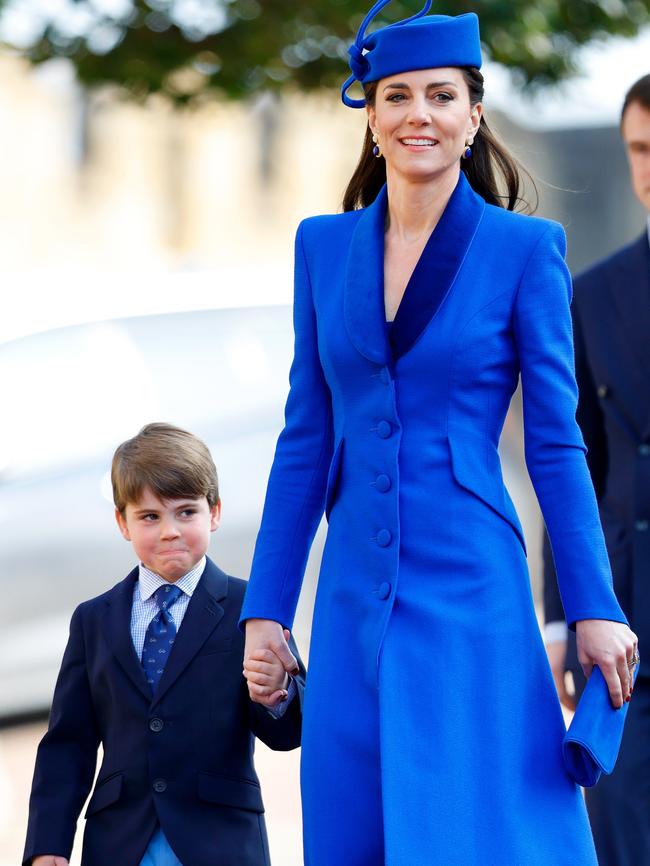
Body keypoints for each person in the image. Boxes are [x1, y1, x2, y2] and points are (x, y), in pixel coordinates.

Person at [241, 1, 638, 864]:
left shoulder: (526, 250)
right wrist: (266, 606)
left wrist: (594, 606)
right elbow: (305, 436)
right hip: (353, 591)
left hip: (470, 586)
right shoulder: (322, 247)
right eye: (397, 97)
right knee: (360, 817)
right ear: (372, 117)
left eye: (441, 96)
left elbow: (557, 444)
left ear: (474, 115)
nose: (419, 113)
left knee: (476, 821)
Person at [23, 423, 305, 866]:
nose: (170, 530)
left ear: (214, 512)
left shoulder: (249, 608)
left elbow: (289, 733)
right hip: (121, 843)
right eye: (150, 516)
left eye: (186, 512)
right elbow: (68, 744)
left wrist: (278, 694)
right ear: (123, 522)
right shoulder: (94, 620)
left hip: (219, 842)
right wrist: (48, 846)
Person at [543, 73, 650, 866]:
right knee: (622, 835)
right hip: (625, 627)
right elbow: (568, 465)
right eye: (640, 150)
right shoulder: (591, 295)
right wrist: (561, 614)